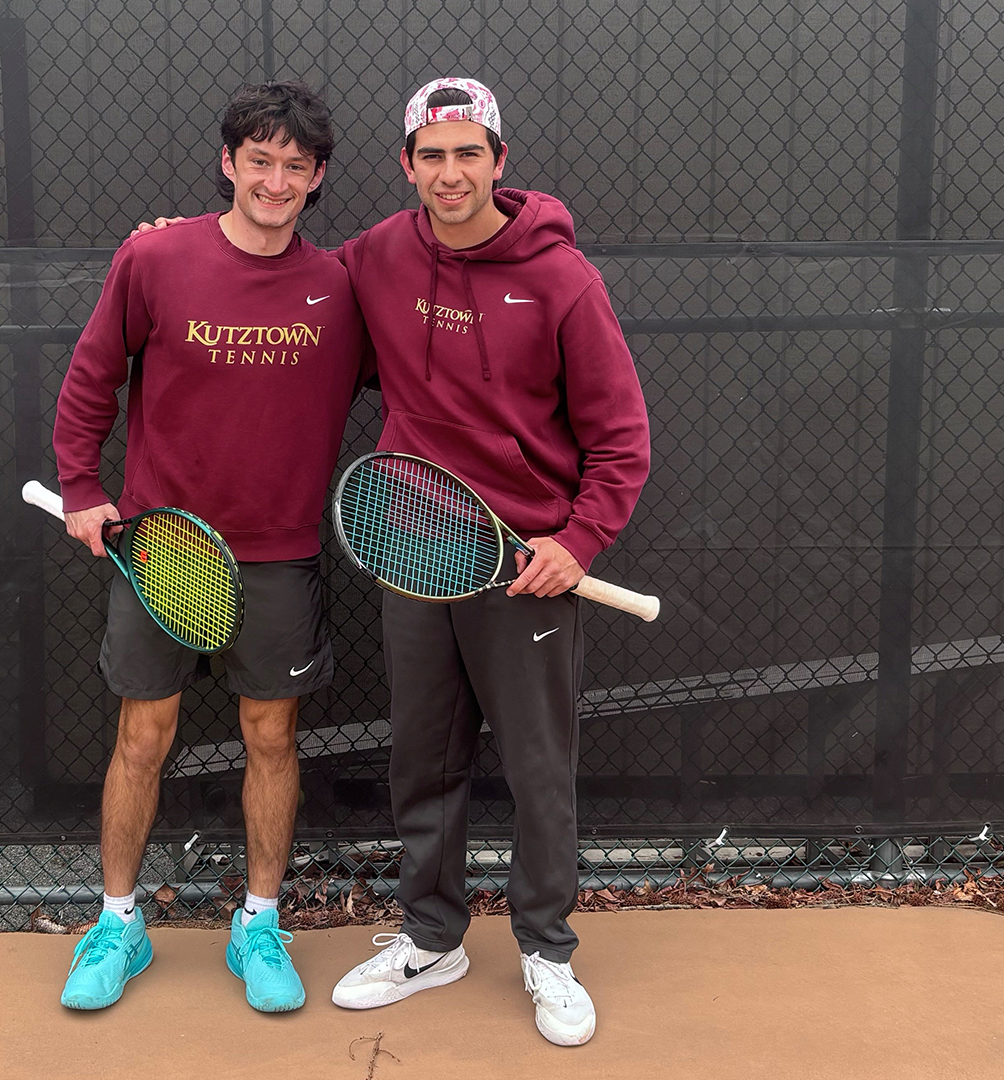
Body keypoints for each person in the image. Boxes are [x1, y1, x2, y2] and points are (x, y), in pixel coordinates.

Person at [319, 76, 651, 1048]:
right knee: (423, 755)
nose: (451, 171)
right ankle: (433, 936)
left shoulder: (561, 279)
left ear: (500, 163)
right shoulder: (376, 253)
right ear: (408, 166)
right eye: (434, 155)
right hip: (415, 546)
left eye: (470, 153)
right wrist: (182, 244)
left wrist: (575, 542)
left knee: (540, 765)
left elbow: (621, 438)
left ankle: (546, 949)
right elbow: (279, 282)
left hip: (526, 567)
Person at [51, 80, 368, 1014]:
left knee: (271, 736)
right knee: (141, 734)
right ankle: (117, 923)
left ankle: (260, 923)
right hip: (159, 546)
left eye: (295, 167)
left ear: (316, 180)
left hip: (279, 554)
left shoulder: (343, 284)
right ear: (229, 163)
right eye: (258, 160)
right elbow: (91, 378)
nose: (275, 180)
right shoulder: (154, 257)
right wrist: (82, 489)